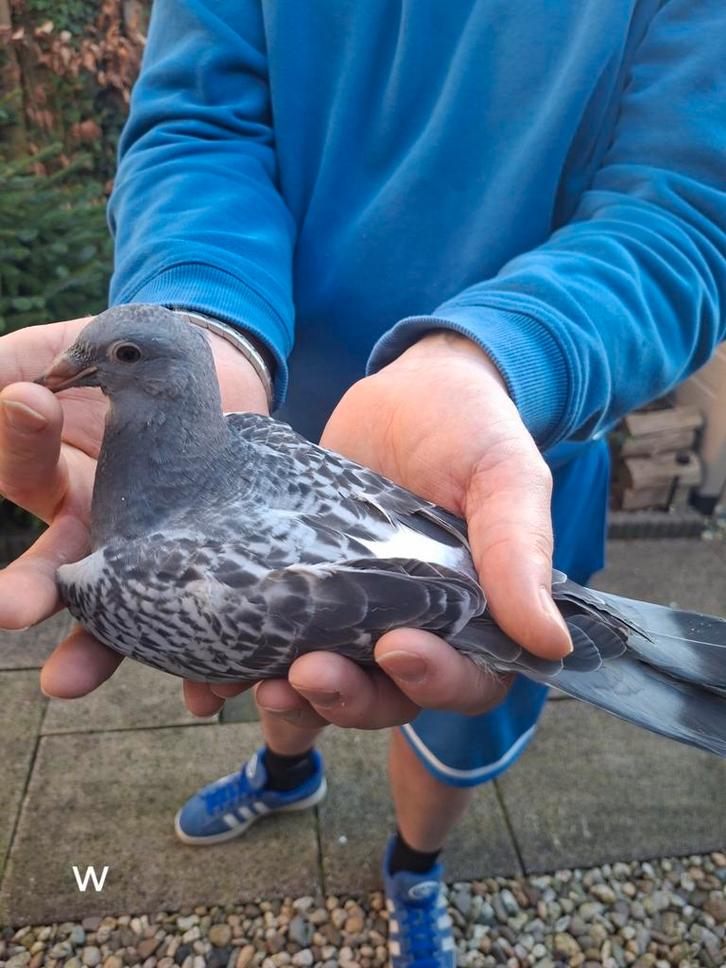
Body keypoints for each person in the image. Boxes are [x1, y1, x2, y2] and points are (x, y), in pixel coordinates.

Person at [0, 1, 724, 965]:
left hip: (494, 458)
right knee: (290, 683)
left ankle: (415, 868)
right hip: (287, 403)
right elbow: (200, 119)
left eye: (117, 359)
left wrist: (499, 357)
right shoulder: (193, 462)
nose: (79, 379)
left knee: (446, 697)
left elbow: (687, 204)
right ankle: (287, 772)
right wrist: (208, 316)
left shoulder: (122, 581)